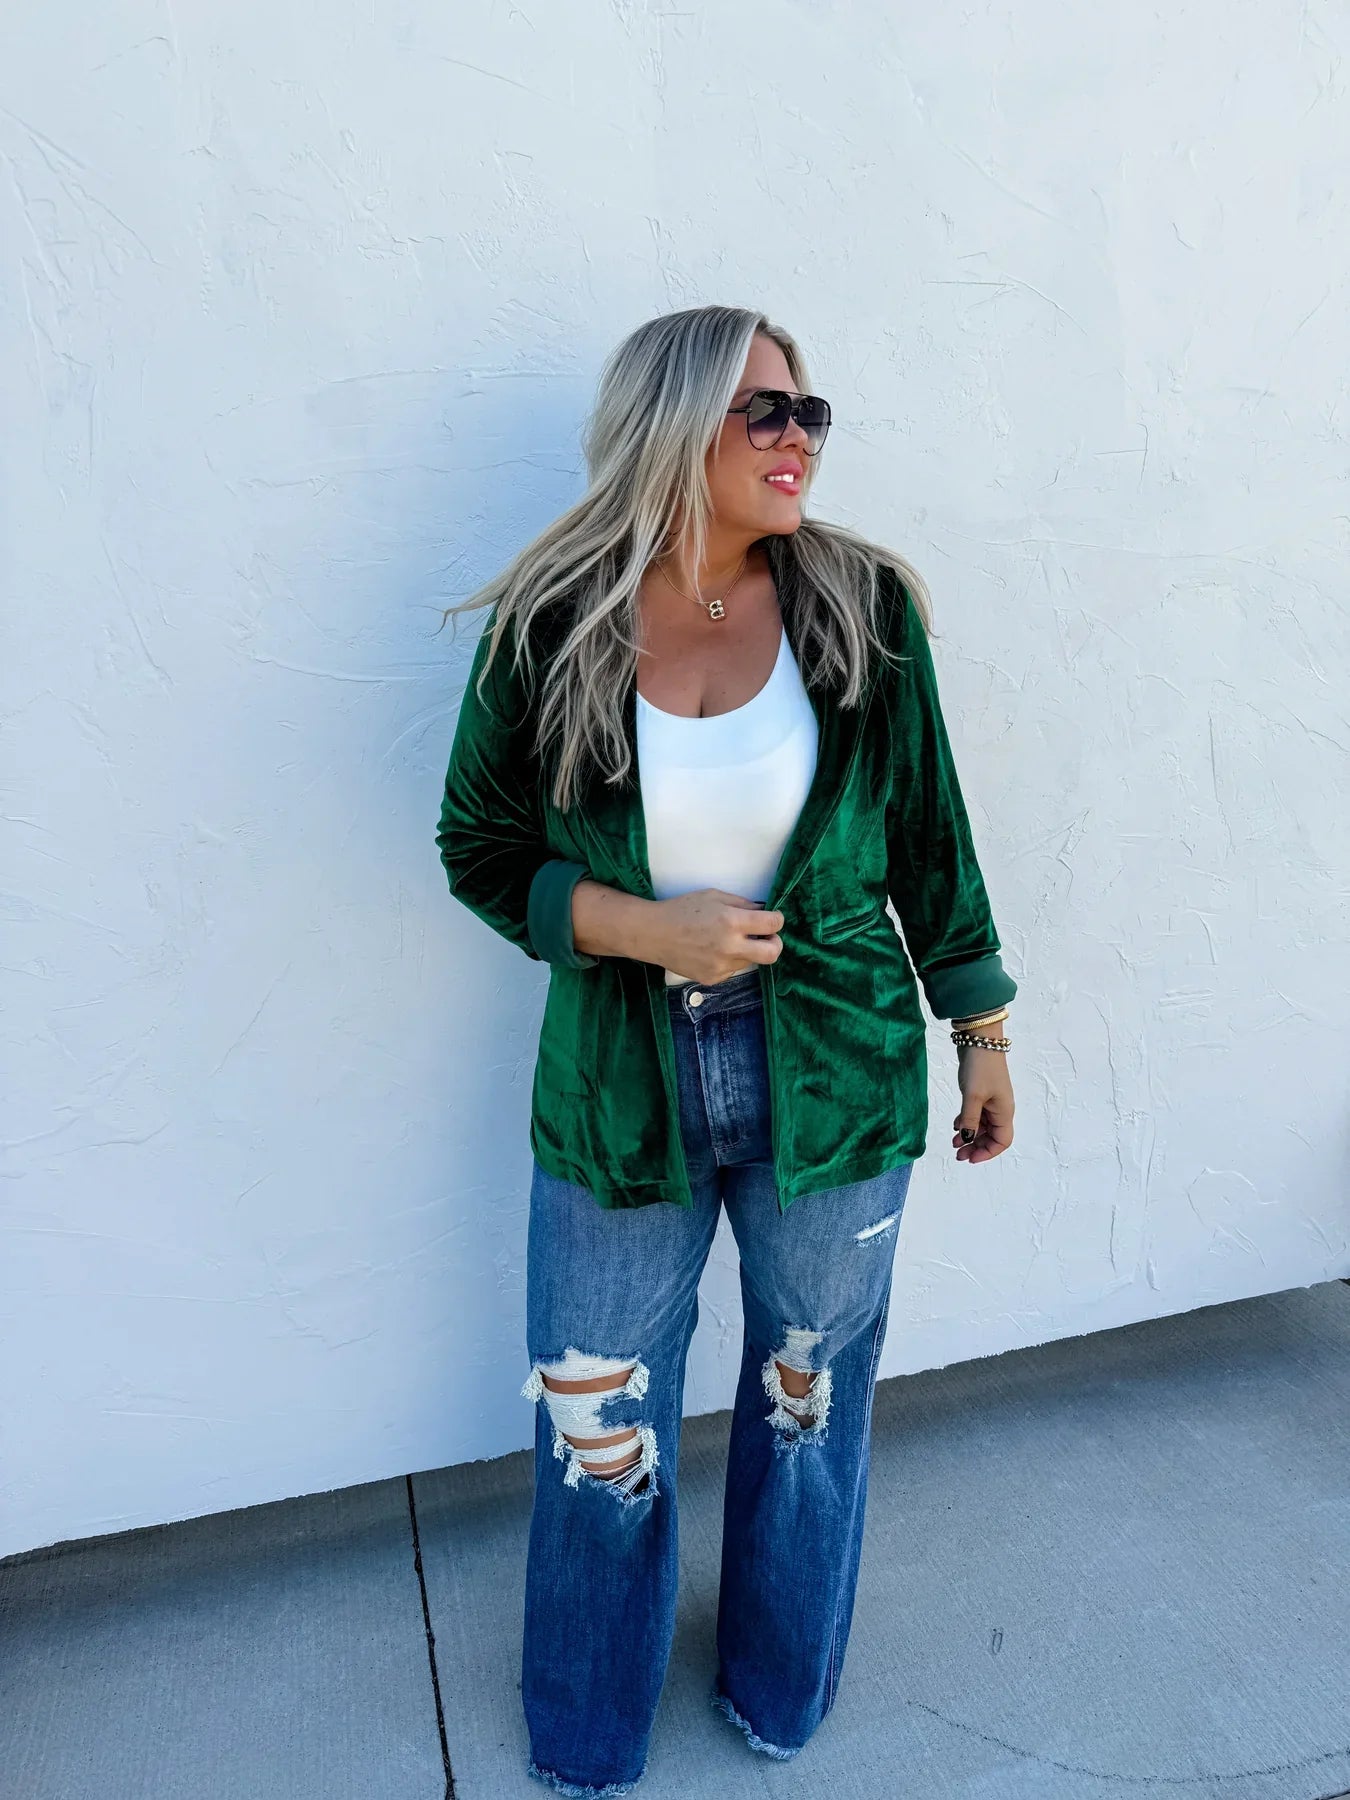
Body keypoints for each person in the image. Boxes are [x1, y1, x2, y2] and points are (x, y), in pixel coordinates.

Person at [435, 303, 1018, 1796]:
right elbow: (480, 848)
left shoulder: (861, 608)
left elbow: (929, 836)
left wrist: (980, 1028)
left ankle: (777, 1684)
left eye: (808, 412)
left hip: (837, 1072)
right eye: (764, 410)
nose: (797, 438)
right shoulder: (551, 621)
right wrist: (645, 929)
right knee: (597, 1410)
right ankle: (587, 1727)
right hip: (619, 1086)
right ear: (673, 424)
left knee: (805, 1402)